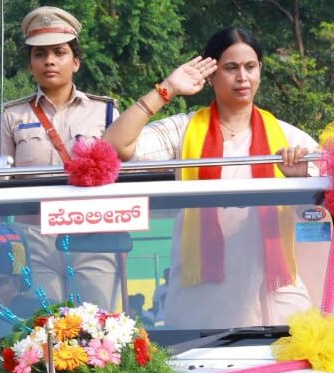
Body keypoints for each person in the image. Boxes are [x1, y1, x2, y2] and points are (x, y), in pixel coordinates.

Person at [102, 27, 316, 328]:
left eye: (250, 67)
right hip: (200, 296)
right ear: (211, 76)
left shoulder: (288, 138)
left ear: (260, 71)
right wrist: (167, 89)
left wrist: (301, 177)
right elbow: (113, 146)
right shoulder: (184, 131)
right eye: (231, 68)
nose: (242, 77)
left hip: (275, 292)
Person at [0, 6, 118, 309]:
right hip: (34, 237)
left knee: (99, 321)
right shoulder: (11, 116)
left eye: (59, 52)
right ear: (31, 64)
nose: (48, 60)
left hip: (93, 233)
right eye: (39, 54)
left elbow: (123, 172)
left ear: (75, 62)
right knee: (44, 321)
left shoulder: (106, 111)